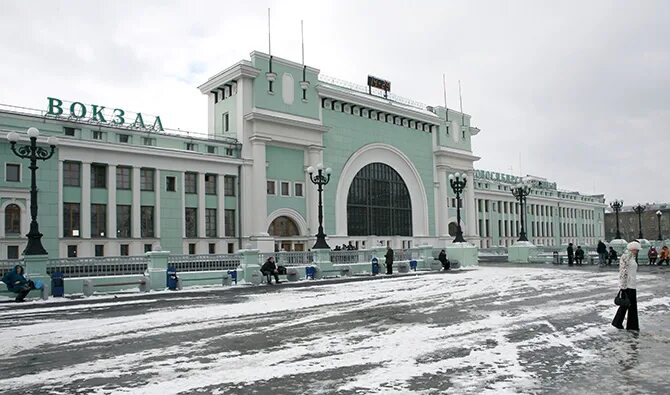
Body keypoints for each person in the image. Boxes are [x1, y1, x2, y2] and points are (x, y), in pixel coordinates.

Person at [612, 241, 640, 331]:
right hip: (627, 285)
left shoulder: (632, 257)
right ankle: (625, 324)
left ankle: (623, 323)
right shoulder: (626, 257)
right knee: (627, 304)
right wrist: (623, 286)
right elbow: (623, 271)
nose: (637, 252)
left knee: (629, 305)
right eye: (636, 250)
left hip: (632, 284)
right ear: (632, 249)